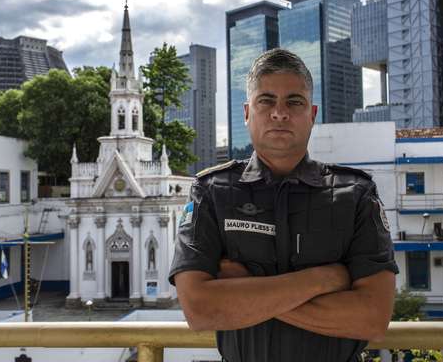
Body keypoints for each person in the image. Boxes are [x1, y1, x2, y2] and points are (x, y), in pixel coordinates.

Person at [169, 48, 398, 362]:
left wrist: (248, 291)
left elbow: (372, 318)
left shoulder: (354, 195)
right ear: (247, 112)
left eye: (294, 101)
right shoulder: (212, 193)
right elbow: (200, 309)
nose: (280, 112)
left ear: (312, 115)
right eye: (266, 101)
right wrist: (324, 280)